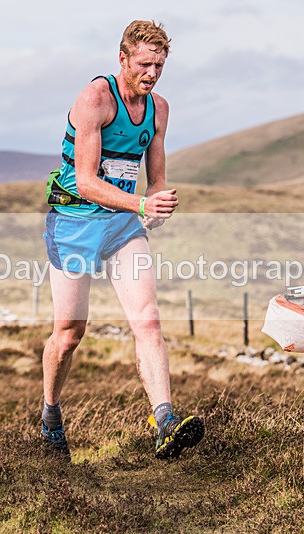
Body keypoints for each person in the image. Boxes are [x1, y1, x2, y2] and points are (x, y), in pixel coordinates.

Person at [41, 20, 204, 461]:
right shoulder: (95, 98)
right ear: (123, 59)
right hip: (74, 221)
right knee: (70, 333)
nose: (152, 73)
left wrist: (158, 204)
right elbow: (87, 181)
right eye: (145, 63)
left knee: (148, 320)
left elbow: (156, 181)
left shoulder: (159, 109)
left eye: (160, 65)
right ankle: (51, 413)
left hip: (121, 227)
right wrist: (140, 206)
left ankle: (165, 420)